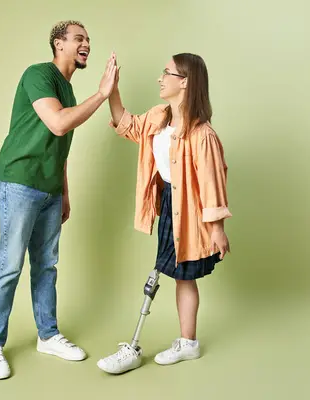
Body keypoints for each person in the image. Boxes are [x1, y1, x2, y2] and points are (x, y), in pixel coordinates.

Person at [0, 20, 118, 380]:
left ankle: (48, 334)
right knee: (10, 264)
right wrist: (103, 94)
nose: (86, 43)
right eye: (78, 38)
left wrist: (64, 192)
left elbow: (60, 147)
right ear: (59, 44)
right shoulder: (38, 74)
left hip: (49, 189)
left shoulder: (69, 92)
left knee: (46, 265)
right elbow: (58, 124)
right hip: (19, 181)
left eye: (88, 38)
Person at [97, 53, 232, 374]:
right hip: (170, 205)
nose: (160, 78)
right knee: (178, 275)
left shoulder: (202, 135)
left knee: (175, 273)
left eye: (166, 73)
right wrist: (111, 91)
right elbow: (127, 125)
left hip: (193, 213)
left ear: (184, 82)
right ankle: (188, 343)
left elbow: (213, 182)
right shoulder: (159, 117)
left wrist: (216, 228)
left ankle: (157, 344)